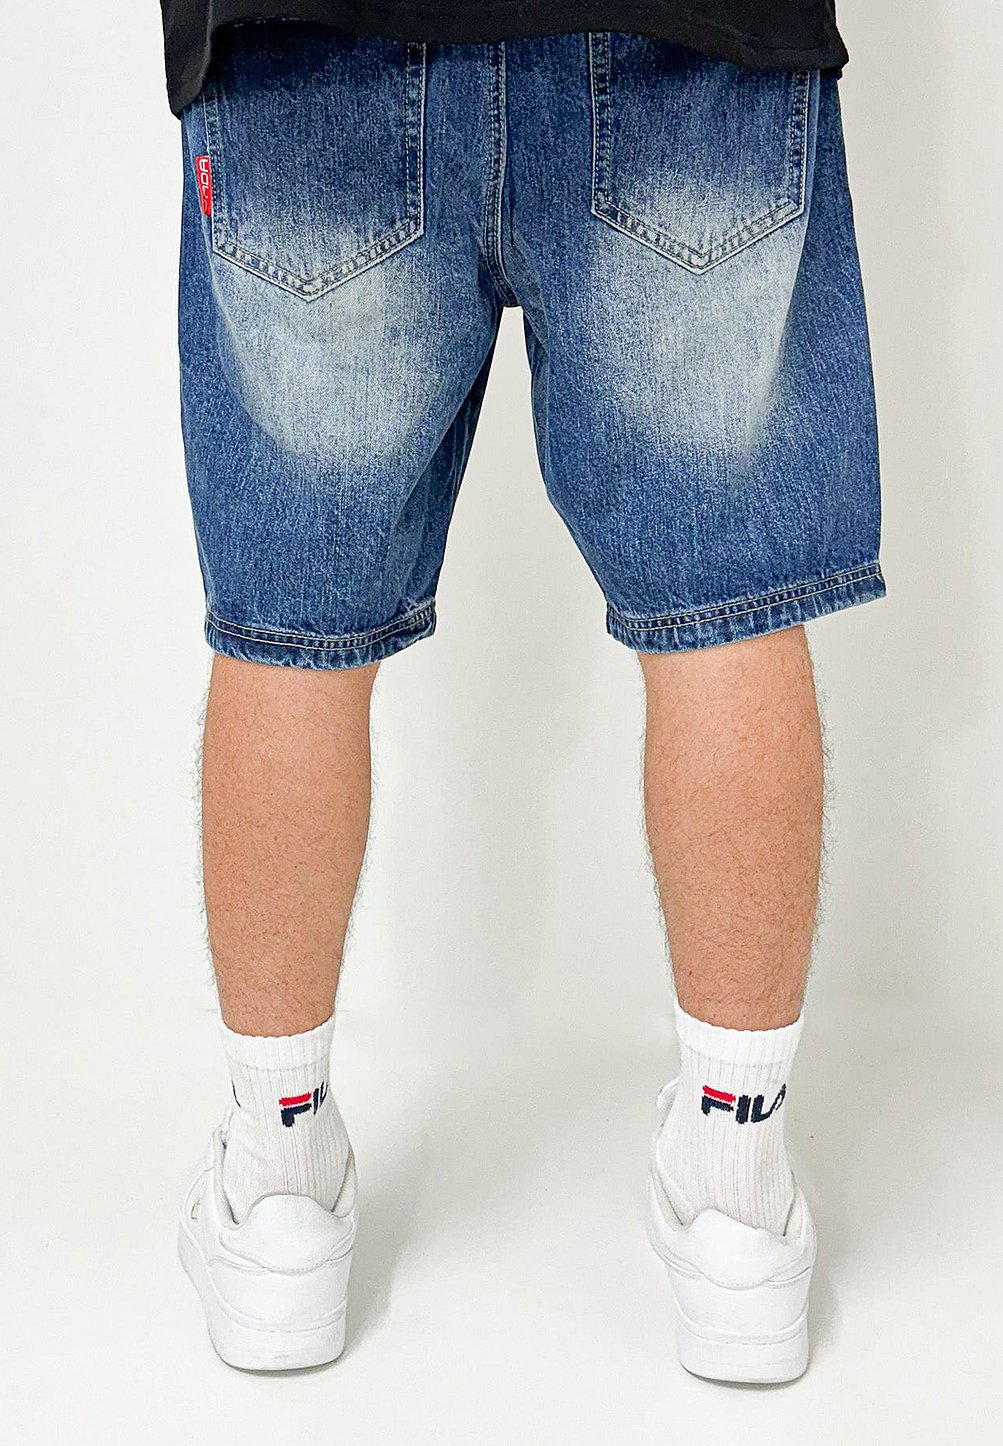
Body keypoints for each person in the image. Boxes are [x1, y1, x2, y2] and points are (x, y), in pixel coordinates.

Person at [160, 0, 882, 1382]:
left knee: (293, 629)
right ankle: (737, 1191)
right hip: (692, 35)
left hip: (309, 39)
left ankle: (278, 1179)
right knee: (725, 612)